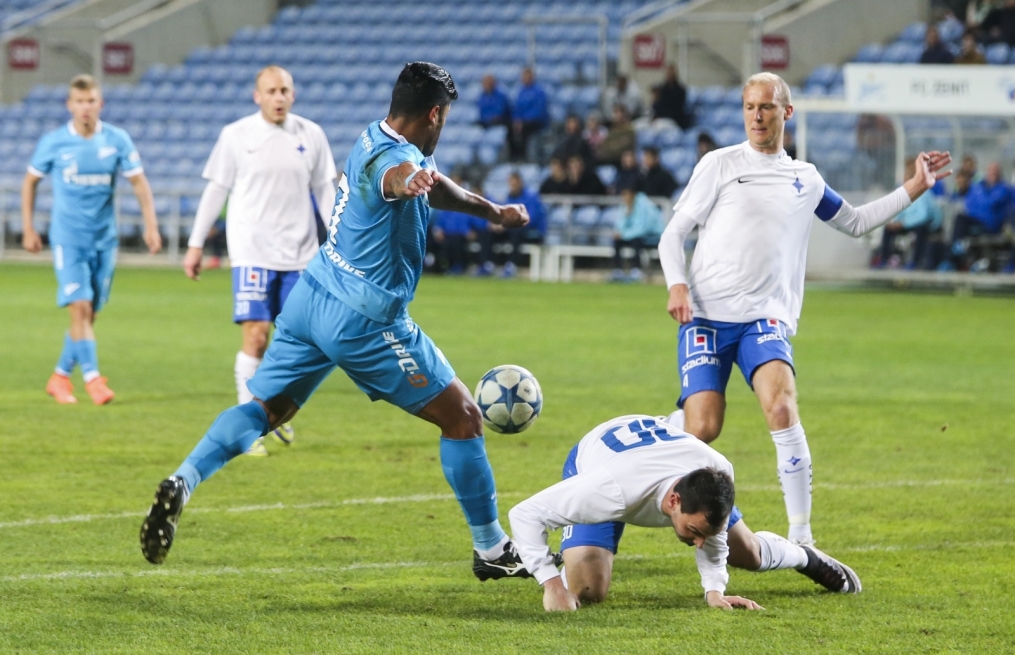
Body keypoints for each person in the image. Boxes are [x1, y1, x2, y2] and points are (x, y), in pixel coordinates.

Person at [140, 63, 535, 583]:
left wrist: (491, 212)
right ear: (435, 114)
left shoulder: (376, 134)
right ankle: (491, 549)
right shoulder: (395, 162)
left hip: (313, 294)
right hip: (365, 320)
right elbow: (395, 180)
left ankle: (183, 480)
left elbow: (430, 184)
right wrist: (409, 180)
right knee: (463, 417)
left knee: (265, 409)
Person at [657, 72, 950, 546]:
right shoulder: (719, 164)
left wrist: (913, 187)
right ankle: (655, 432)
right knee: (703, 428)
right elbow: (673, 234)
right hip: (707, 316)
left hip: (764, 318)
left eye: (767, 107)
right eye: (750, 106)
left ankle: (803, 536)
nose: (757, 115)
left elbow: (854, 222)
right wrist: (677, 285)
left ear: (785, 113)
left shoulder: (805, 178)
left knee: (782, 406)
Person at [508, 413, 861, 612]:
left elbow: (715, 542)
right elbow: (524, 514)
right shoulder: (604, 490)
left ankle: (805, 557)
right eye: (693, 531)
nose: (698, 543)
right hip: (604, 458)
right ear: (674, 502)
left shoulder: (716, 471)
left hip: (668, 450)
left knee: (749, 553)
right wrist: (551, 583)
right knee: (586, 590)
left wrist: (715, 592)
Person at [182, 66, 338, 456]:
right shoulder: (236, 136)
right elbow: (216, 190)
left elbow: (324, 191)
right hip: (252, 252)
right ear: (258, 96)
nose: (279, 97)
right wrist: (196, 243)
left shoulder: (311, 134)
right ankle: (247, 425)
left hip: (302, 255)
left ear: (294, 93)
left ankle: (275, 411)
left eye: (285, 90)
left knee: (298, 343)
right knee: (255, 334)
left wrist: (336, 241)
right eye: (271, 91)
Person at [22, 74, 161, 406]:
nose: (85, 108)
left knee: (90, 315)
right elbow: (30, 183)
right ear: (70, 105)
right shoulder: (54, 142)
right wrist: (29, 228)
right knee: (79, 308)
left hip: (104, 241)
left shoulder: (117, 140)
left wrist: (151, 225)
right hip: (68, 239)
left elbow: (140, 184)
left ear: (101, 104)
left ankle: (59, 377)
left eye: (91, 101)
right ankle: (93, 379)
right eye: (79, 102)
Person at [879, 157, 944, 270]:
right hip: (909, 224)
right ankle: (884, 260)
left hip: (927, 226)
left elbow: (923, 216)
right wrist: (894, 222)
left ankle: (915, 262)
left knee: (920, 230)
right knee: (888, 229)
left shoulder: (923, 192)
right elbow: (898, 210)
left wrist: (903, 224)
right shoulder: (903, 192)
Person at [478, 171, 547, 277]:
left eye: (514, 184)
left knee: (516, 231)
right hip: (511, 228)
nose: (512, 186)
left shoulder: (531, 197)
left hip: (531, 231)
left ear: (520, 183)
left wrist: (506, 224)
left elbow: (530, 219)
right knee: (487, 231)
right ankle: (487, 264)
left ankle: (511, 265)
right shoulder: (509, 197)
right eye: (510, 184)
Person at [948, 161, 1011, 269]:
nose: (993, 174)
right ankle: (955, 250)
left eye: (995, 172)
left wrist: (979, 201)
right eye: (991, 172)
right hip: (976, 220)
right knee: (960, 217)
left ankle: (956, 252)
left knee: (962, 220)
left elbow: (989, 204)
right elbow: (969, 202)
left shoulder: (1003, 189)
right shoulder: (979, 186)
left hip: (990, 225)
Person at [610, 184, 664, 282]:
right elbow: (620, 224)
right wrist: (620, 232)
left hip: (653, 235)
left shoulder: (643, 205)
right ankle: (618, 271)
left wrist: (623, 234)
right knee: (617, 241)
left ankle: (636, 271)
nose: (625, 198)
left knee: (636, 241)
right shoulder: (625, 206)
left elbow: (641, 229)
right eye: (623, 195)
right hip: (635, 234)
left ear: (633, 194)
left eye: (627, 195)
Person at [510, 67, 549, 161]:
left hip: (537, 121)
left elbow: (539, 110)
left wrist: (524, 120)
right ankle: (513, 155)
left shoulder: (539, 91)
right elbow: (517, 108)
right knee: (510, 128)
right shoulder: (521, 91)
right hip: (523, 121)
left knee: (525, 129)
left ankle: (524, 156)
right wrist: (516, 120)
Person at [652, 64, 690, 130]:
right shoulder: (662, 89)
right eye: (667, 73)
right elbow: (656, 108)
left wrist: (660, 116)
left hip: (673, 120)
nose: (669, 75)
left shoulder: (680, 90)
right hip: (661, 118)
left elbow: (676, 110)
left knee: (657, 126)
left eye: (671, 73)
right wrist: (655, 99)